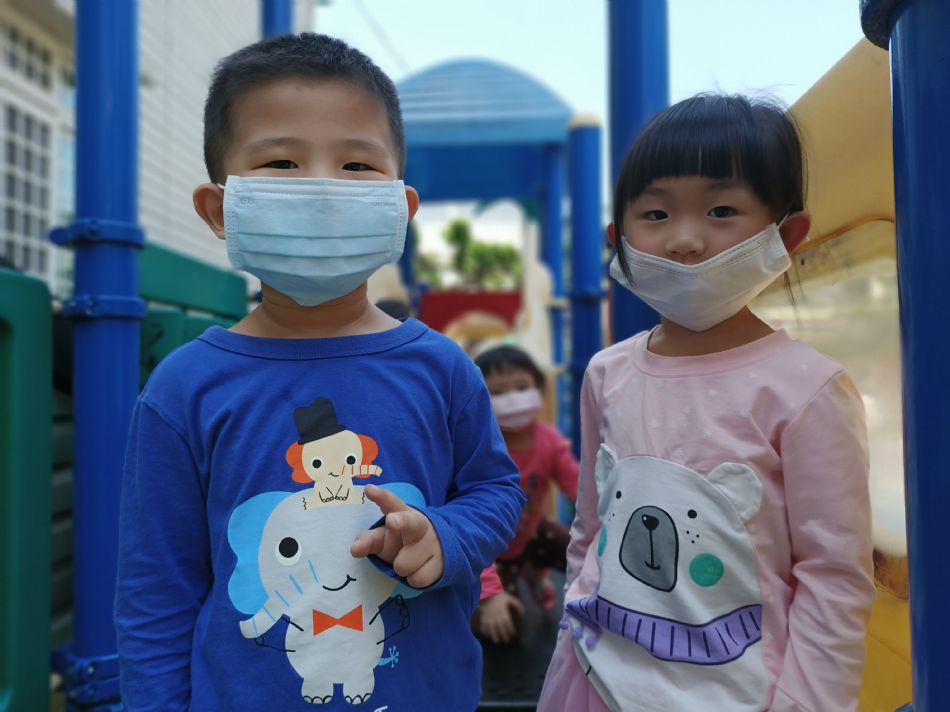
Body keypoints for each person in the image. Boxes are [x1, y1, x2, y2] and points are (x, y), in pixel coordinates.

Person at [114, 33, 525, 711]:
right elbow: (156, 591)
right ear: (220, 209)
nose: (323, 190)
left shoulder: (442, 368)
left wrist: (445, 538)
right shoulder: (183, 388)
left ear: (401, 207)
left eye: (357, 165)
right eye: (282, 161)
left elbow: (496, 491)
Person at [537, 94, 874, 712]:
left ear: (785, 235)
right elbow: (590, 531)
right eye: (655, 213)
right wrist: (568, 651)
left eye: (722, 210)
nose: (685, 240)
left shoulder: (808, 388)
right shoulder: (607, 373)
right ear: (619, 240)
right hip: (594, 681)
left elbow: (833, 579)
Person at [472, 345, 579, 644]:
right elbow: (473, 530)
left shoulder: (548, 440)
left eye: (521, 387)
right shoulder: (478, 448)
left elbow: (579, 487)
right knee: (502, 632)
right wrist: (488, 595)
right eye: (497, 392)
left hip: (531, 534)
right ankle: (501, 587)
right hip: (490, 553)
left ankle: (534, 570)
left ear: (539, 389)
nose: (512, 399)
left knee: (581, 551)